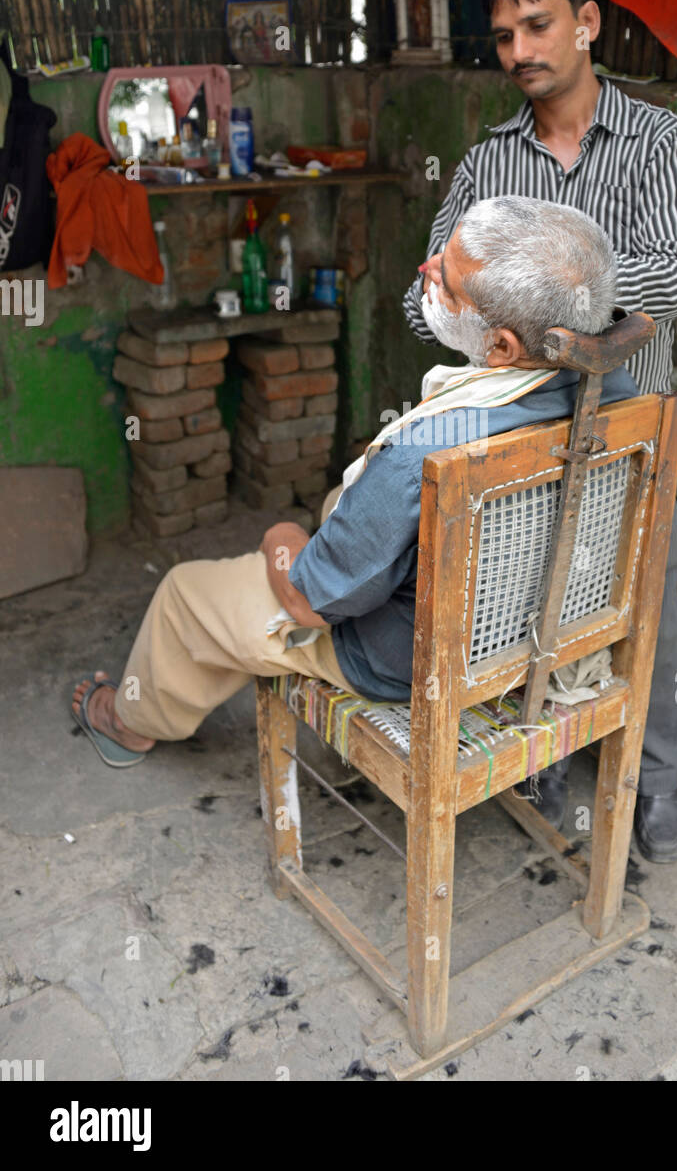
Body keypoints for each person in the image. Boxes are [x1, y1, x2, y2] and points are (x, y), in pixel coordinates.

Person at [71, 199, 640, 826]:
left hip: (410, 661)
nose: (425, 268)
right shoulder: (624, 402)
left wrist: (280, 538)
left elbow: (307, 605)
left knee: (186, 593)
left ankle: (126, 722)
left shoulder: (426, 451)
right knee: (341, 513)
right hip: (538, 634)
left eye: (444, 278)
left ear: (502, 346)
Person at [402, 0, 677, 862]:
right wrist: (494, 298)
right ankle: (538, 755)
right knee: (528, 596)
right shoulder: (487, 162)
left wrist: (534, 291)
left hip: (626, 424)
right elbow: (433, 301)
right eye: (503, 37)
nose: (519, 50)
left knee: (642, 597)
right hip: (518, 423)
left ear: (586, 21)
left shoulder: (658, 142)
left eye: (537, 25)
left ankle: (654, 778)